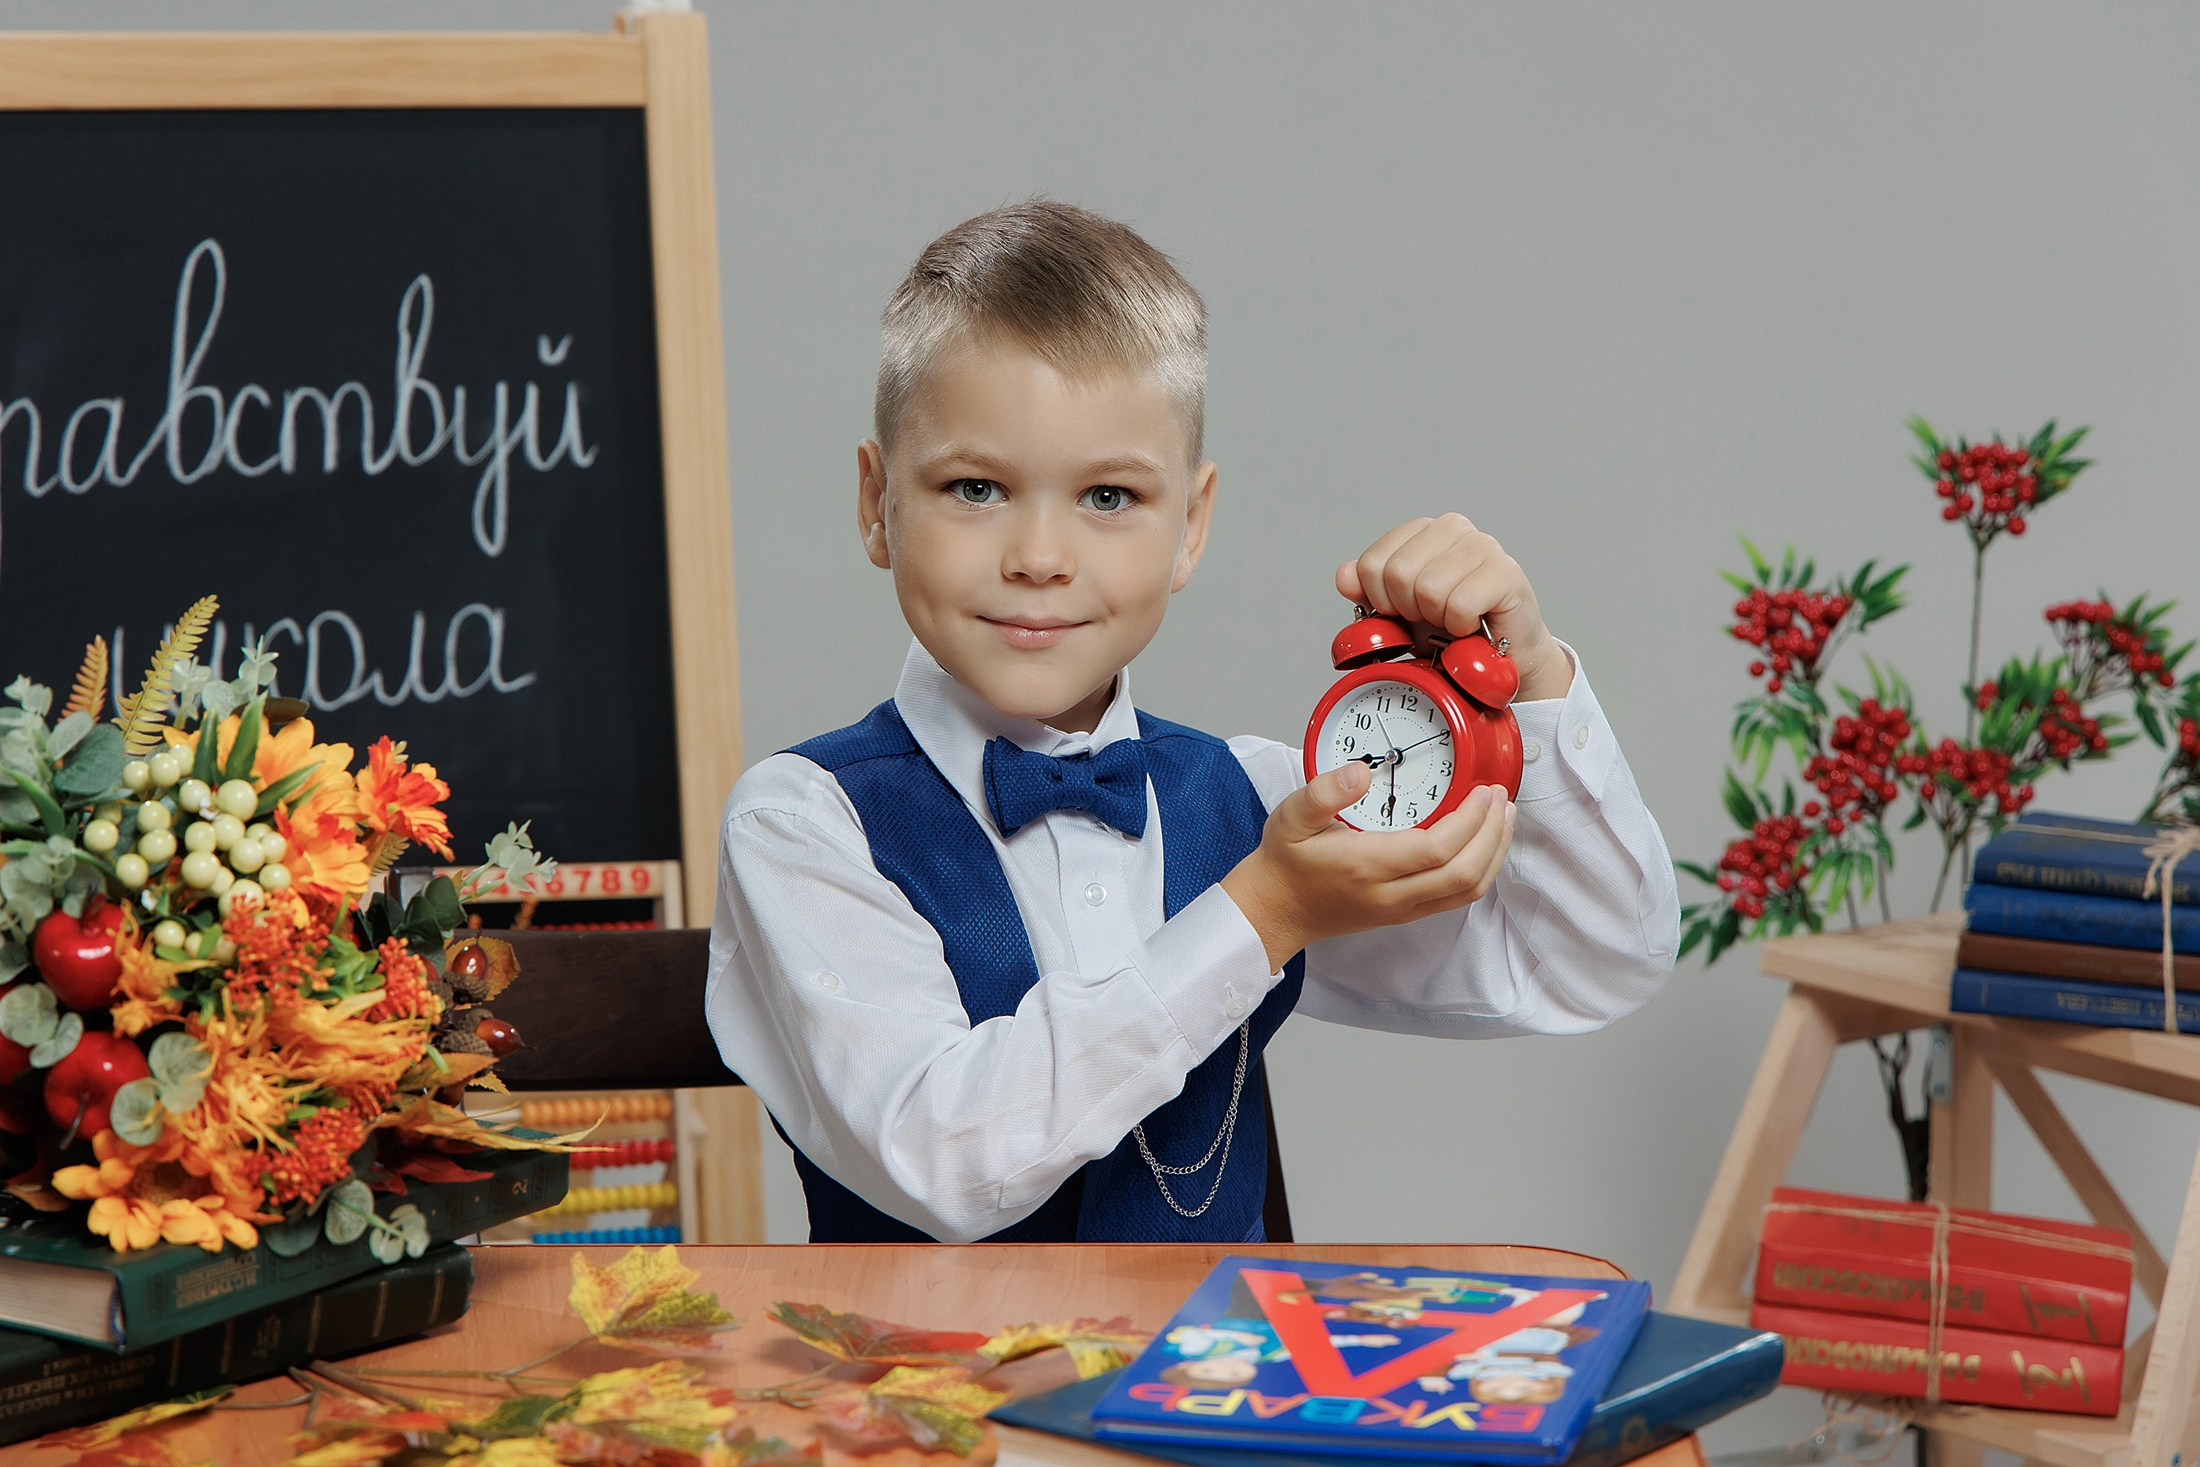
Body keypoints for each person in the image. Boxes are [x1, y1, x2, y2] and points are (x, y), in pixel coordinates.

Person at [705, 200, 1678, 1243]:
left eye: (1109, 497)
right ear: (876, 503)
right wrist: (1263, 913)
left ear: (1191, 527)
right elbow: (940, 1156)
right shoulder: (803, 824)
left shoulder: (1255, 804)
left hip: (1217, 1353)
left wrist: (1532, 679)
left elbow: (1586, 958)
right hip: (926, 1357)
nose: (1040, 557)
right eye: (975, 487)